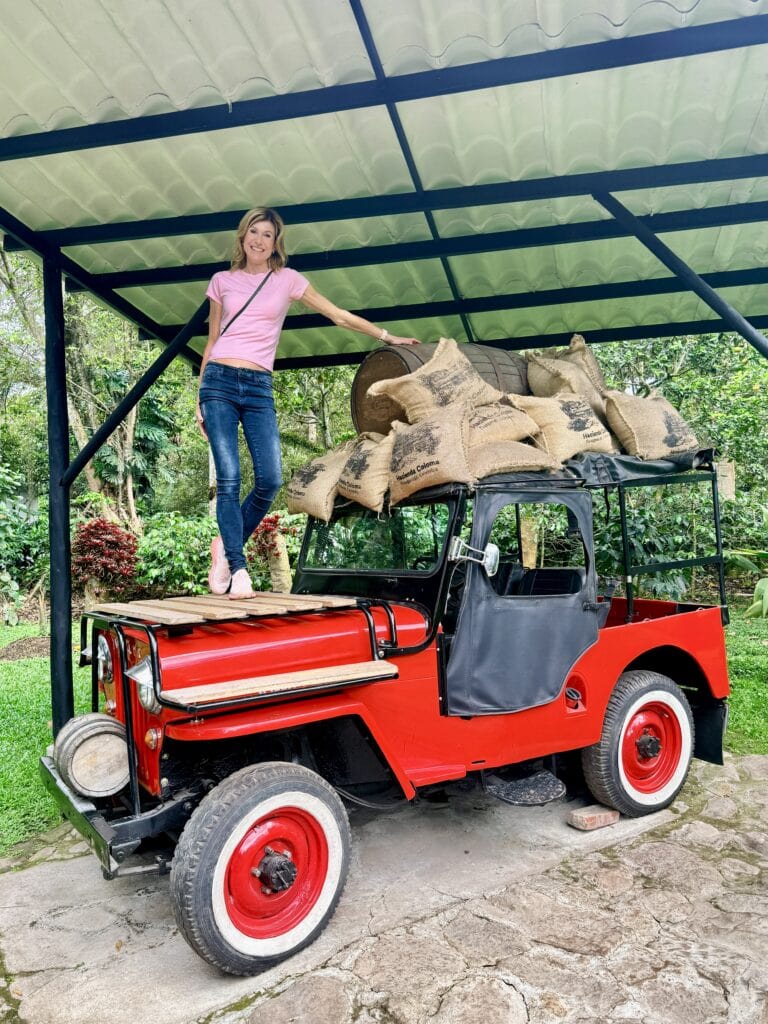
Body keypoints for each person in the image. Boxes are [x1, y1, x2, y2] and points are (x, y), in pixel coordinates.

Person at [198, 206, 420, 598]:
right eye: (254, 232)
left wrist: (387, 337)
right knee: (229, 478)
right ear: (242, 237)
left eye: (267, 234)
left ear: (275, 243)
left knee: (270, 480)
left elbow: (337, 315)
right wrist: (200, 395)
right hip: (218, 382)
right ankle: (238, 567)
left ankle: (224, 545)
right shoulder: (221, 281)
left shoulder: (288, 281)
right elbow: (213, 339)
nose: (259, 240)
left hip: (258, 385)